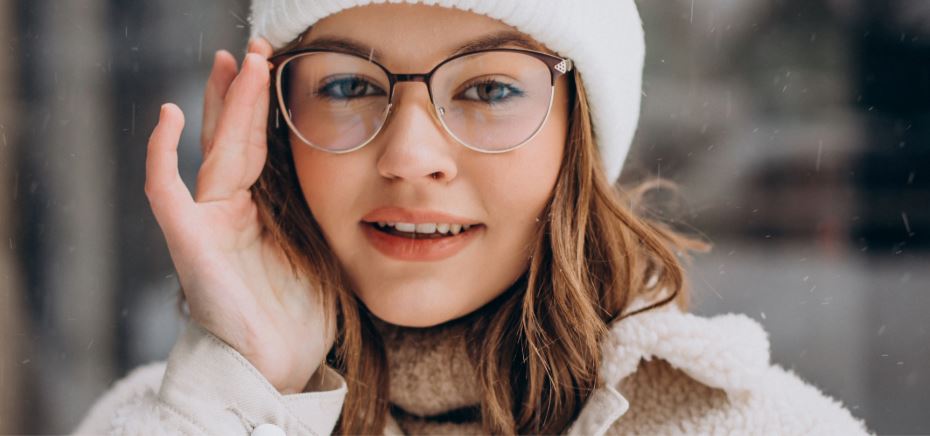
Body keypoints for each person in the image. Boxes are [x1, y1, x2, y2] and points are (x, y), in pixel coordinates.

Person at [73, 1, 872, 435]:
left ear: (578, 133)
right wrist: (245, 390)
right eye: (349, 86)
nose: (410, 155)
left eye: (490, 90)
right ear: (277, 125)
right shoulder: (170, 417)